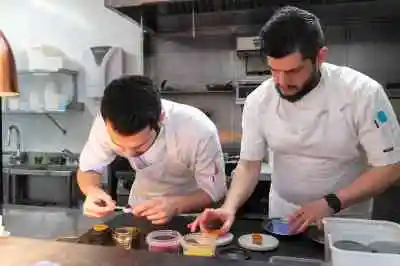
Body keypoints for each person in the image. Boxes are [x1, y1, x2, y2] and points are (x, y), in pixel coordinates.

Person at [189, 6, 400, 235]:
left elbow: (390, 167)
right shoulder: (259, 100)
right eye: (273, 70)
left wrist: (331, 202)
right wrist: (229, 208)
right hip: (284, 215)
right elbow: (249, 165)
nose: (281, 81)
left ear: (320, 57)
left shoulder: (363, 94)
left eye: (293, 71)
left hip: (344, 217)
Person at [77, 75, 227, 225]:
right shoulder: (106, 123)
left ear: (160, 118)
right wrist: (92, 191)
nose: (128, 154)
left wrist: (175, 206)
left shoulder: (198, 130)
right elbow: (88, 169)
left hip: (192, 216)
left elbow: (214, 191)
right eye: (120, 146)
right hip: (139, 210)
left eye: (139, 146)